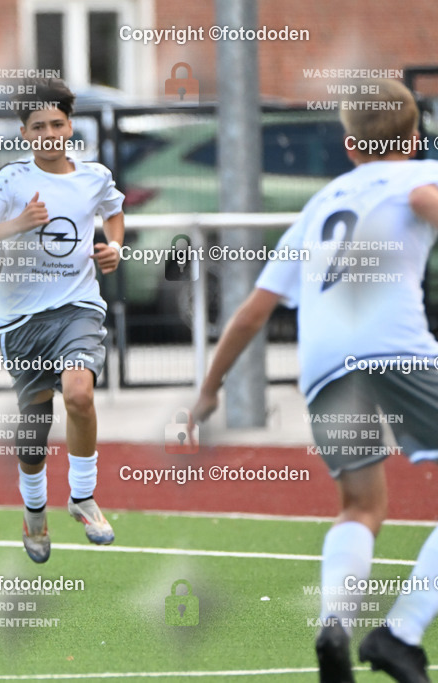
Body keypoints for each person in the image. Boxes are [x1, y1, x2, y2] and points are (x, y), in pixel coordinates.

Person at [190, 79, 438, 683]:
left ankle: (334, 623)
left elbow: (253, 309)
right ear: (416, 138)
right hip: (396, 348)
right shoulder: (416, 177)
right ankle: (400, 634)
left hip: (324, 362)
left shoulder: (319, 205)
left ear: (351, 146)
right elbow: (427, 202)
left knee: (360, 505)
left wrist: (209, 388)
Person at [0, 78, 124, 563]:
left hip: (78, 307)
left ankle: (82, 496)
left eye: (57, 123)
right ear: (25, 133)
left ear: (70, 125)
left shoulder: (94, 176)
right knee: (35, 420)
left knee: (78, 391)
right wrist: (20, 223)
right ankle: (34, 511)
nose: (50, 133)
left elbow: (114, 213)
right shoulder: (11, 180)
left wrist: (115, 247)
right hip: (21, 318)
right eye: (39, 127)